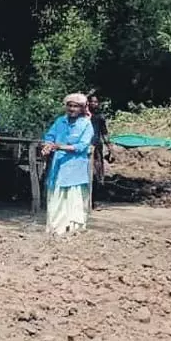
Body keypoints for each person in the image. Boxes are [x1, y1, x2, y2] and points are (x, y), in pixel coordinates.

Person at [41, 94, 95, 236]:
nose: (72, 109)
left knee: (74, 199)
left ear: (82, 108)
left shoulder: (86, 124)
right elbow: (49, 136)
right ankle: (56, 230)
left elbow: (82, 146)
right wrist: (47, 145)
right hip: (58, 166)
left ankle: (73, 231)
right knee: (56, 197)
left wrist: (60, 147)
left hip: (75, 168)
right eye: (69, 106)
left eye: (76, 106)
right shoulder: (60, 121)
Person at [87, 92, 111, 188]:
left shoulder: (100, 116)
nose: (94, 104)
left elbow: (104, 132)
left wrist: (109, 147)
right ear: (88, 103)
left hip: (96, 144)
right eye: (92, 102)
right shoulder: (84, 116)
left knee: (98, 165)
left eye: (96, 102)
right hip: (85, 144)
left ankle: (100, 184)